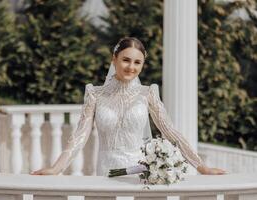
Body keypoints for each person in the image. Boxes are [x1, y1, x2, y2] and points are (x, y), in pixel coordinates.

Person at [31, 37, 226, 176]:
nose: (131, 67)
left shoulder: (147, 93)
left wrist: (201, 167)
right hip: (107, 172)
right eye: (125, 60)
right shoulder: (95, 94)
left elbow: (170, 133)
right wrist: (57, 168)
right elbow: (80, 136)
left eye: (137, 62)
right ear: (114, 59)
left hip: (139, 174)